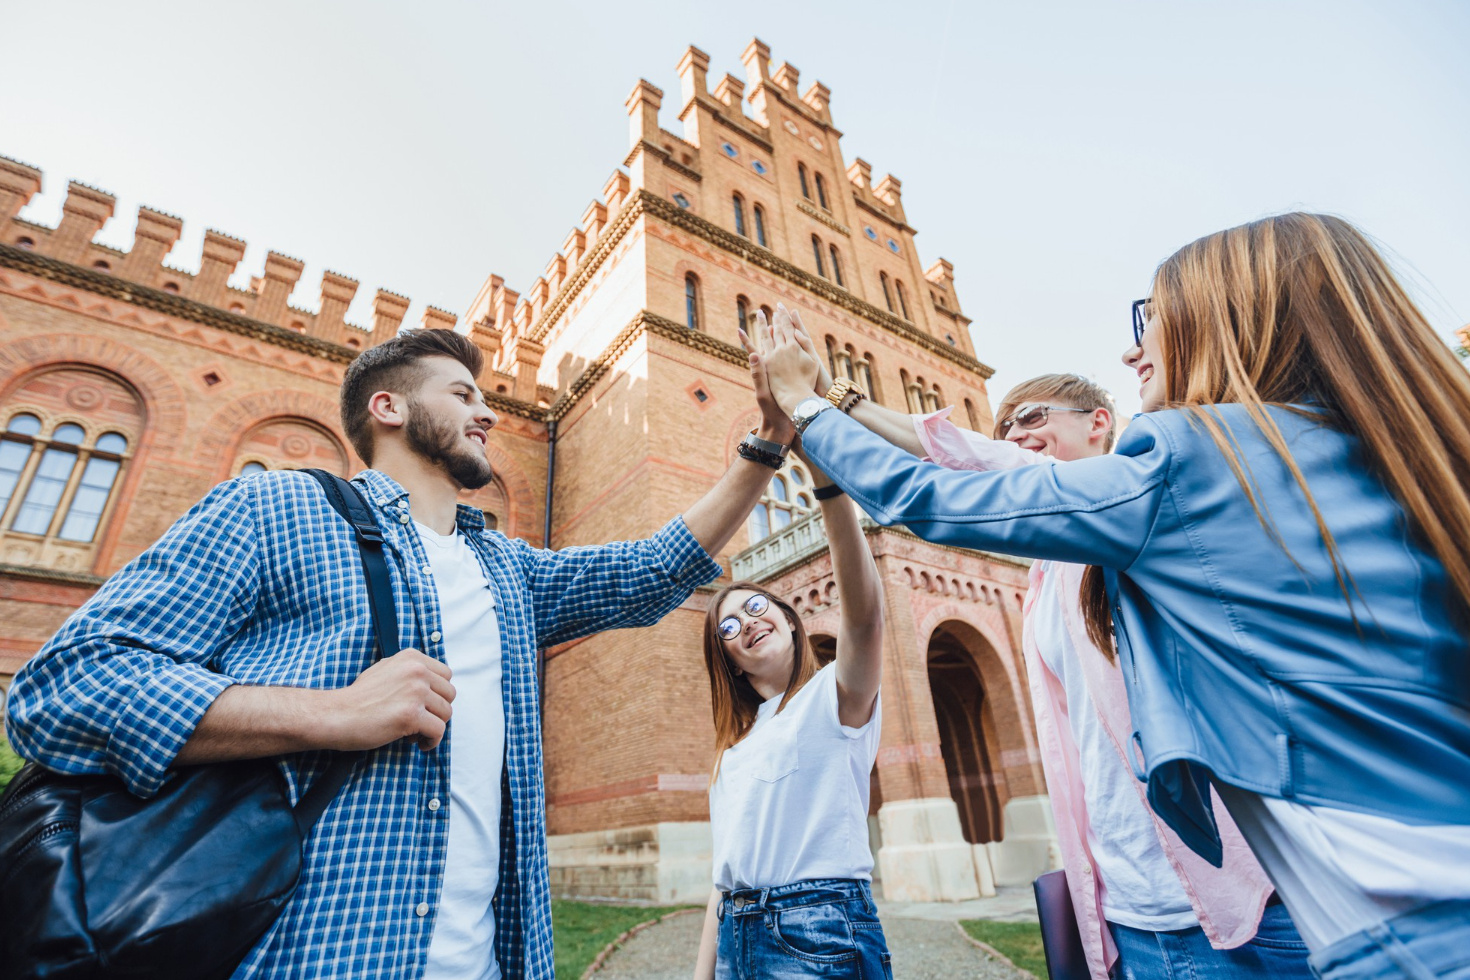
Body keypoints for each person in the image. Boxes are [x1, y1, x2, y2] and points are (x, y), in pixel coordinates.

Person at [760, 213, 1470, 980]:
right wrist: (843, 395)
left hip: (1365, 937)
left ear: (1229, 321)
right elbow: (980, 456)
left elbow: (928, 495)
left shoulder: (1190, 454)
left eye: (1152, 318)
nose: (1134, 349)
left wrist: (807, 409)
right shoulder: (1383, 453)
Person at [5, 328, 791, 980]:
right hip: (306, 959)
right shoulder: (276, 507)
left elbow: (653, 569)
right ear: (388, 406)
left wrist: (769, 440)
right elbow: (65, 686)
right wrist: (331, 714)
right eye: (463, 395)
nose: (486, 413)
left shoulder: (507, 571)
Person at [786, 345, 1310, 979]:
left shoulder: (1144, 501)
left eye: (1032, 417)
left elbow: (978, 465)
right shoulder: (1045, 572)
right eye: (1005, 424)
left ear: (1098, 423)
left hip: (1240, 902)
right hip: (1132, 910)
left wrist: (824, 402)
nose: (1014, 435)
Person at [689, 307, 888, 980]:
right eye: (729, 627)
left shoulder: (836, 697)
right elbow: (723, 875)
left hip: (819, 925)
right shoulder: (732, 749)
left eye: (756, 606)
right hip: (739, 929)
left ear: (791, 617)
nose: (746, 621)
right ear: (731, 662)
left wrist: (825, 478)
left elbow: (862, 619)